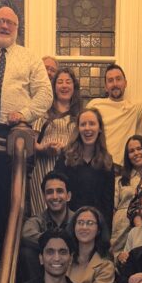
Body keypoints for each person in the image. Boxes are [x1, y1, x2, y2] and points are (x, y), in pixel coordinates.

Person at [0, 6, 52, 252]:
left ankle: (7, 245)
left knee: (10, 192)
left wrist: (25, 114)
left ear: (17, 29)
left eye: (10, 22)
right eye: (0, 21)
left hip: (15, 134)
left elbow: (45, 93)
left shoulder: (29, 57)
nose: (4, 26)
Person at [87, 35, 142, 165]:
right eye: (110, 81)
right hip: (97, 167)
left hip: (123, 171)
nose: (115, 83)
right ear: (106, 87)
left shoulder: (133, 108)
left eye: (118, 79)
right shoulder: (95, 105)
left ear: (125, 83)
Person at [29, 67, 82, 216]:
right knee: (43, 211)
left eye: (68, 82)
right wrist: (43, 148)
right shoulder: (43, 111)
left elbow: (84, 144)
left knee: (67, 213)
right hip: (43, 167)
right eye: (60, 82)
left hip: (70, 167)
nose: (64, 86)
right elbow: (31, 142)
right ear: (54, 87)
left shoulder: (80, 115)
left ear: (74, 87)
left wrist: (67, 149)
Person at [57, 107, 115, 229]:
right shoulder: (65, 158)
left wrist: (105, 236)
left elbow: (108, 204)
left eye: (92, 124)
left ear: (99, 129)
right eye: (83, 124)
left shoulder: (107, 162)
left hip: (95, 227)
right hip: (68, 226)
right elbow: (58, 194)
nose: (87, 128)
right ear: (78, 129)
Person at [19, 170, 73, 282]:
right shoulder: (37, 220)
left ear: (68, 196)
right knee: (26, 253)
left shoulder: (78, 219)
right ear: (44, 196)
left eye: (59, 191)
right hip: (45, 274)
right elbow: (26, 233)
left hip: (74, 271)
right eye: (49, 192)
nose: (54, 196)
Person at [67, 205, 115, 283]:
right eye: (80, 223)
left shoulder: (106, 266)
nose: (84, 227)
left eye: (90, 223)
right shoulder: (65, 258)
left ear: (98, 230)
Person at [111, 134, 142, 255]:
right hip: (122, 227)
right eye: (131, 151)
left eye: (139, 148)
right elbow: (113, 208)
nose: (136, 153)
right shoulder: (120, 180)